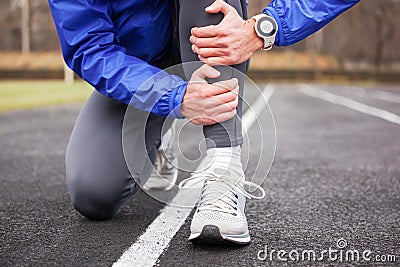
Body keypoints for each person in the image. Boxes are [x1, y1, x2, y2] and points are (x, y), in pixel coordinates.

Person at [48, 0, 360, 244]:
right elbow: (89, 47)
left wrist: (266, 26)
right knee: (93, 193)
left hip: (210, 40)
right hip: (138, 70)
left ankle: (224, 169)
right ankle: (158, 143)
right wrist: (173, 95)